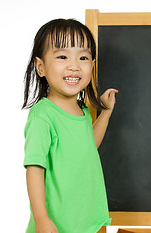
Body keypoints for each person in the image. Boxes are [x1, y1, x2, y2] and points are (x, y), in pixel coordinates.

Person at [22, 18, 118, 233]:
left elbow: (87, 146)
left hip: (87, 222)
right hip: (57, 226)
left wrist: (106, 113)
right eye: (62, 56)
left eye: (83, 57)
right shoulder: (43, 115)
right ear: (40, 67)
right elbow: (35, 168)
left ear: (92, 65)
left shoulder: (82, 110)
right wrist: (41, 218)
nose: (74, 66)